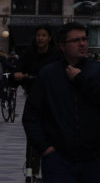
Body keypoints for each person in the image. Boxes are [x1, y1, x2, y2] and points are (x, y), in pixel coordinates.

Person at [22, 20, 100, 183]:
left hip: (91, 159)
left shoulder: (99, 70)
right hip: (58, 158)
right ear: (62, 46)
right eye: (75, 40)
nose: (82, 44)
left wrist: (81, 79)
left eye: (84, 39)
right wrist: (46, 149)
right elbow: (31, 116)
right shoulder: (48, 75)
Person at [11, 24, 62, 182]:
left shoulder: (56, 55)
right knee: (32, 138)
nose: (40, 38)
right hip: (34, 99)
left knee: (54, 135)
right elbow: (18, 71)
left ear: (49, 38)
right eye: (38, 35)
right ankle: (31, 173)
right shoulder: (28, 53)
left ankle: (52, 169)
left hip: (52, 101)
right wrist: (18, 75)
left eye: (43, 35)